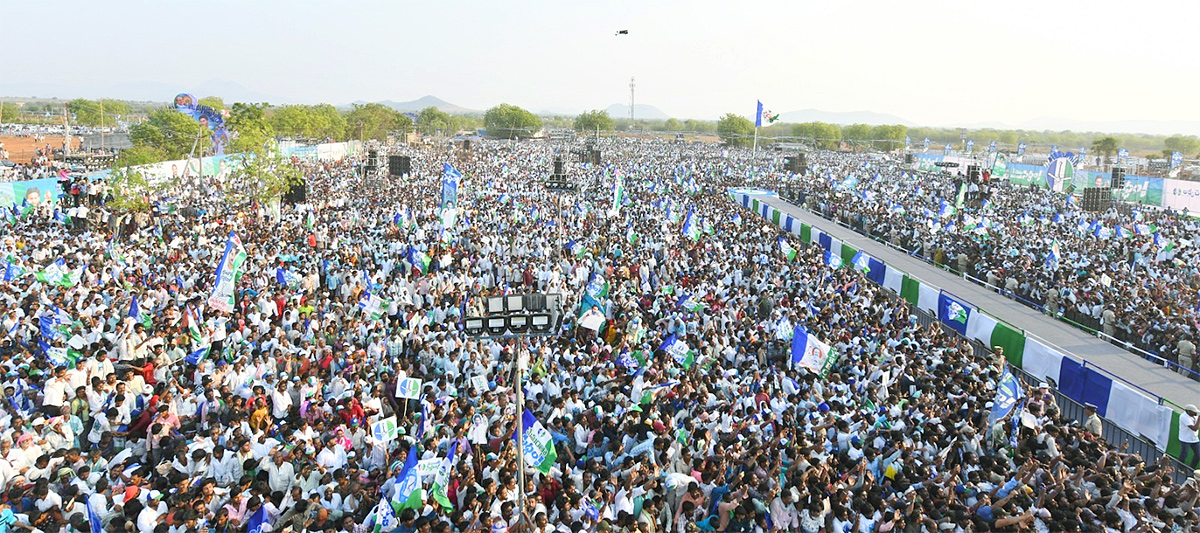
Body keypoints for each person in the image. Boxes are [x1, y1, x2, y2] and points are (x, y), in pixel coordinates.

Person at [1181, 404, 1200, 469]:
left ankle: (1191, 468)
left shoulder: (1193, 416)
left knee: (1198, 454)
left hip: (1194, 439)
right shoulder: (1184, 417)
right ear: (1188, 411)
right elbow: (1194, 428)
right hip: (1185, 439)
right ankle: (1180, 467)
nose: (1195, 413)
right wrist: (1199, 420)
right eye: (1193, 412)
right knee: (1184, 454)